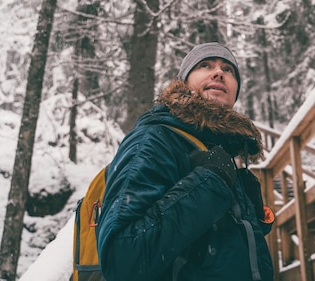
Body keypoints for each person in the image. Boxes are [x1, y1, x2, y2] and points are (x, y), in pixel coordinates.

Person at [96, 42, 275, 281]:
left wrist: (248, 227)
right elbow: (121, 259)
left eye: (228, 70)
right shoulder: (154, 139)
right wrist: (210, 184)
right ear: (184, 83)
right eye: (205, 65)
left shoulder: (223, 152)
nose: (219, 72)